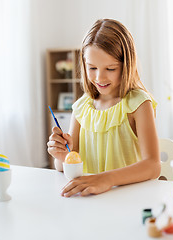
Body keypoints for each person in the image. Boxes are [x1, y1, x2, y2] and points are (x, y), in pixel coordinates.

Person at [47, 18, 160, 197]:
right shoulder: (81, 108)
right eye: (92, 68)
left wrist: (106, 179)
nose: (100, 77)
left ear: (126, 65)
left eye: (111, 69)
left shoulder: (138, 104)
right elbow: (65, 166)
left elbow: (153, 165)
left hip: (129, 199)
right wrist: (62, 157)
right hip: (91, 201)